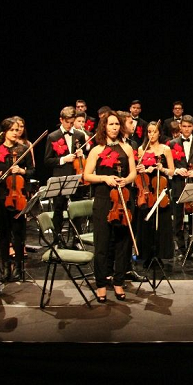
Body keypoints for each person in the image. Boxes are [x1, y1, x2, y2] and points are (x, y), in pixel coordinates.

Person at [82, 112, 137, 303]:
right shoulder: (96, 150)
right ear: (104, 126)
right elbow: (87, 175)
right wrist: (105, 178)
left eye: (116, 124)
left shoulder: (127, 148)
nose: (114, 127)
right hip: (104, 200)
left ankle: (119, 282)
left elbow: (133, 174)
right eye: (110, 124)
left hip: (123, 200)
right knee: (102, 245)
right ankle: (101, 285)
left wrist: (125, 180)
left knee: (123, 244)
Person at [0, 117, 33, 282]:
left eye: (17, 130)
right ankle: (5, 267)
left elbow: (32, 171)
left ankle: (19, 267)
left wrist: (22, 171)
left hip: (19, 196)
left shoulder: (23, 149)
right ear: (4, 132)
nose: (16, 133)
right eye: (12, 130)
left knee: (18, 232)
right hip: (1, 195)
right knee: (4, 233)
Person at [43, 106, 86, 244]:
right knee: (58, 210)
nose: (70, 125)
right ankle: (57, 239)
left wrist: (81, 155)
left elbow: (83, 159)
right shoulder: (53, 136)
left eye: (72, 122)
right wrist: (63, 159)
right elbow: (47, 160)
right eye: (67, 122)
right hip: (60, 178)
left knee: (76, 210)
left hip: (76, 177)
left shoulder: (79, 135)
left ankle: (76, 240)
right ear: (61, 120)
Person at [135, 122, 175, 268]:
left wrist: (161, 168)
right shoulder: (141, 149)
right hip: (146, 191)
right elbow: (137, 172)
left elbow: (172, 171)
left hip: (160, 189)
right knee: (146, 224)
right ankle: (147, 255)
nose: (152, 134)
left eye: (154, 132)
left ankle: (159, 254)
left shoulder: (165, 149)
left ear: (159, 133)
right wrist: (141, 169)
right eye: (149, 131)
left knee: (161, 223)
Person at [168, 115, 193, 252]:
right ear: (180, 127)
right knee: (178, 219)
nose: (186, 129)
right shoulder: (173, 144)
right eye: (184, 126)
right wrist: (176, 170)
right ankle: (181, 247)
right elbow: (168, 166)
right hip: (178, 184)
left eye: (189, 127)